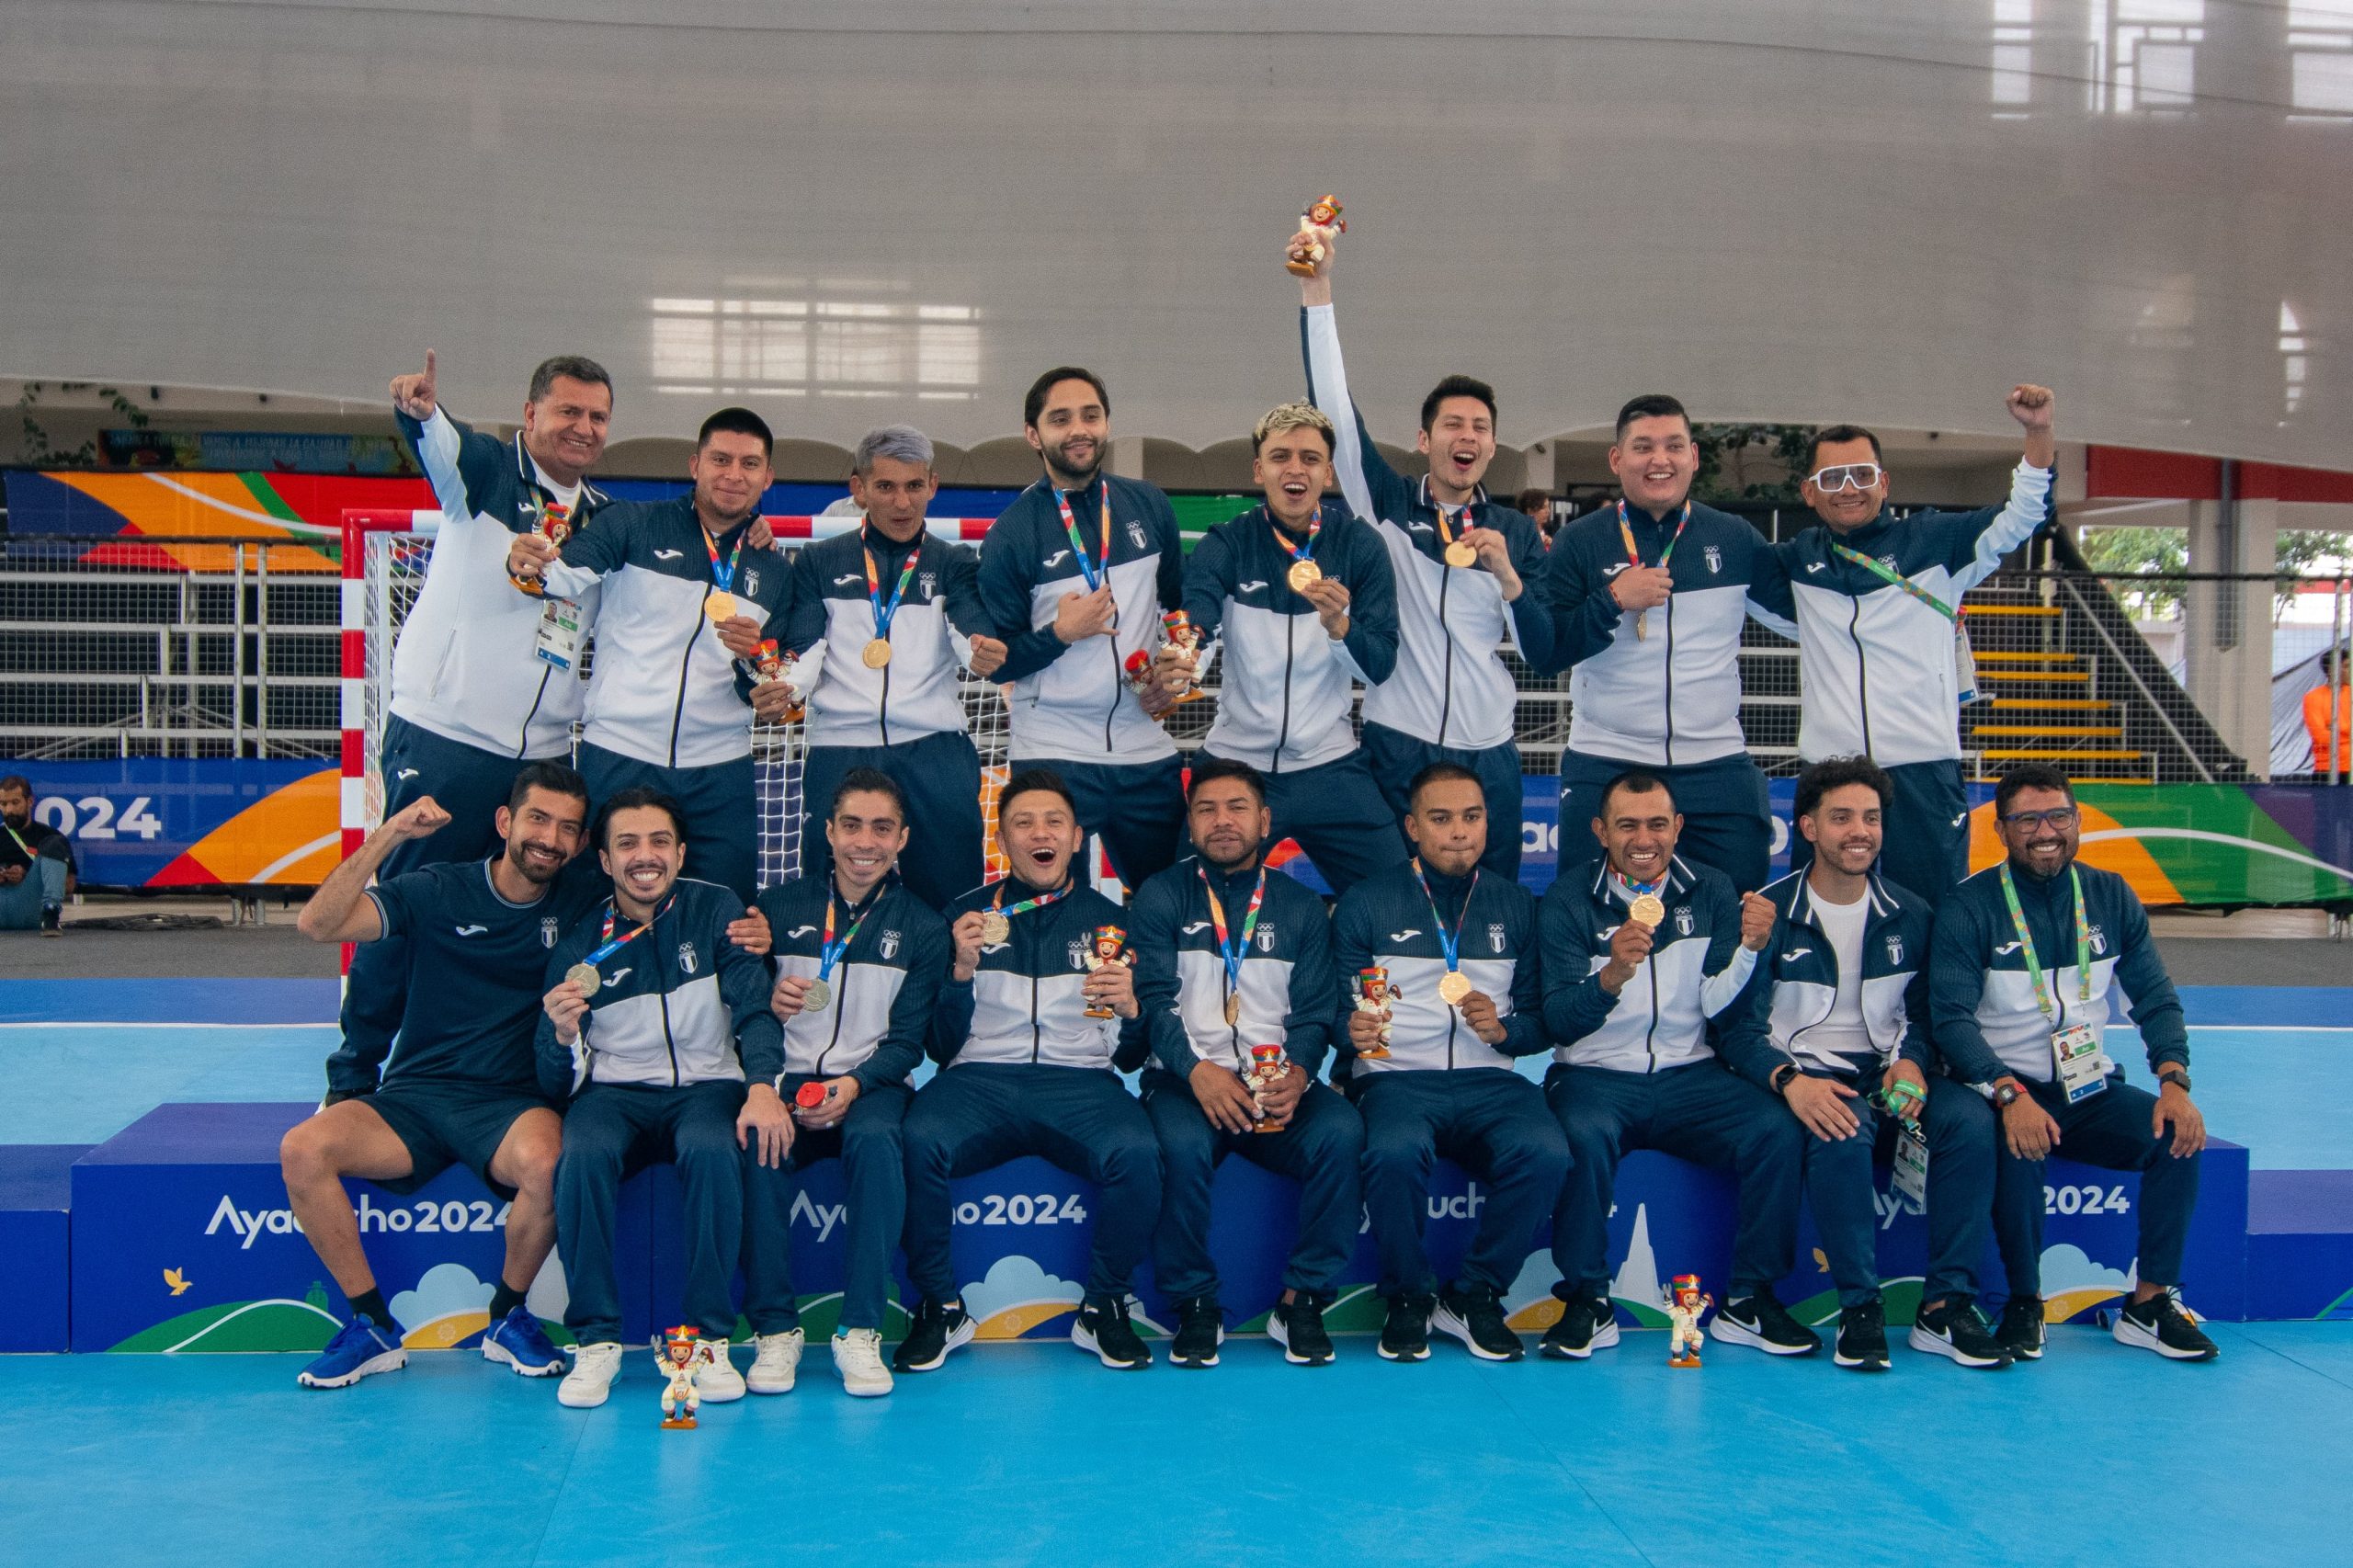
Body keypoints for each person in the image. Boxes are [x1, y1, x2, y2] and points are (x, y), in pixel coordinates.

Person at [335, 352, 617, 1096]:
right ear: (531, 416)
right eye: (567, 411)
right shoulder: (488, 473)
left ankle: (515, 1073)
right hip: (448, 738)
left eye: (596, 417)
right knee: (399, 905)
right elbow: (441, 443)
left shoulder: (605, 522)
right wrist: (421, 412)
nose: (582, 428)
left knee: (535, 919)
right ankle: (355, 1076)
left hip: (545, 759)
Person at [281, 765, 594, 1389]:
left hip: (508, 1105)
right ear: (505, 822)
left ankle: (506, 1317)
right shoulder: (437, 888)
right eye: (538, 819)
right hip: (414, 1100)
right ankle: (369, 1323)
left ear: (581, 846)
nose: (549, 838)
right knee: (303, 1148)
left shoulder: (582, 902)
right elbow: (318, 925)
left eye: (567, 829)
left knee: (552, 1164)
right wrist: (390, 834)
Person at [1926, 764, 2218, 1362]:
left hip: (2087, 1088)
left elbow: (2156, 998)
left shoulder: (2110, 896)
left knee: (2177, 1138)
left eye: (2058, 815)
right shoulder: (1970, 906)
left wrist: (2174, 1080)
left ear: (2077, 821)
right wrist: (2008, 1093)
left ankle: (2149, 1304)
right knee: (2018, 1143)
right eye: (2027, 819)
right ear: (2002, 832)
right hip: (2003, 1086)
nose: (2045, 831)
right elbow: (1950, 1020)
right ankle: (2024, 1303)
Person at [1292, 228, 1556, 878]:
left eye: (1480, 429)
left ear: (1493, 447)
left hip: (1486, 751)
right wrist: (1316, 288)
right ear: (1424, 437)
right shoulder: (1382, 503)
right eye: (1453, 425)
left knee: (1491, 905)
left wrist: (1508, 577)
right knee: (1394, 906)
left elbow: (1541, 652)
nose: (1467, 437)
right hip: (1398, 742)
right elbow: (1334, 406)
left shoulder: (1514, 534)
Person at [1537, 770, 1820, 1361]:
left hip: (1692, 1073)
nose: (1645, 838)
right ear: (1600, 831)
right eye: (1628, 825)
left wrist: (1748, 951)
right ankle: (1587, 1299)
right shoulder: (1567, 898)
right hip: (1595, 1074)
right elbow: (1559, 1021)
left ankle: (1748, 1299)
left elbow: (1718, 1005)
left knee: (1775, 1129)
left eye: (1658, 824)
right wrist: (1610, 976)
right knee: (1579, 1139)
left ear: (1678, 827)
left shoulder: (1713, 890)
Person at [894, 769, 1161, 1372]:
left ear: (1076, 837)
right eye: (1023, 822)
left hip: (1081, 1084)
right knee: (913, 1138)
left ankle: (1105, 1305)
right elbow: (938, 1046)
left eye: (1053, 822)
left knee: (1139, 1150)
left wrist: (1131, 1007)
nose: (1039, 833)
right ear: (1004, 840)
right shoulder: (962, 915)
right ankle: (939, 1304)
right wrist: (958, 974)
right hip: (975, 1081)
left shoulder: (1113, 919)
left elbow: (1127, 1056)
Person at [1746, 392, 2058, 905]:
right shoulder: (1796, 563)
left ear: (1884, 483)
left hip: (1923, 773)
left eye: (1862, 475)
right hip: (1828, 774)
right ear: (1808, 492)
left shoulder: (1936, 542)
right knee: (1822, 920)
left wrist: (2039, 432)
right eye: (1831, 479)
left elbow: (2025, 514)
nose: (1849, 489)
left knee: (1933, 919)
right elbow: (1712, 572)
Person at [535, 789, 789, 1409]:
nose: (643, 856)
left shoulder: (717, 910)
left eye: (657, 842)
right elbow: (550, 1078)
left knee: (711, 1147)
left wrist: (761, 1087)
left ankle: (707, 1342)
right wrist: (563, 1034)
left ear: (679, 851)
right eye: (626, 843)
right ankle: (595, 1342)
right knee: (584, 1153)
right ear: (603, 859)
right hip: (614, 1092)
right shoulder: (578, 944)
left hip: (706, 1085)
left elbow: (756, 1007)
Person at [1127, 756, 1362, 1368]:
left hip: (1274, 1083)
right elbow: (1152, 999)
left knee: (1341, 1132)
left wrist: (1300, 1074)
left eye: (1237, 809)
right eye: (1206, 810)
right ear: (1191, 823)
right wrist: (1195, 1071)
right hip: (1185, 1080)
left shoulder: (1303, 907)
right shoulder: (1159, 896)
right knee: (1176, 1148)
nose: (1222, 821)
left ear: (1265, 821)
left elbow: (1314, 1013)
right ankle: (1195, 1303)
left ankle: (1303, 1297)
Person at [1722, 757, 1954, 1372]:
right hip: (1802, 1074)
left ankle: (1949, 1305)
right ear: (1807, 827)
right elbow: (1734, 1031)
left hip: (1887, 1071)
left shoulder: (1913, 914)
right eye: (1842, 817)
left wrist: (1913, 1063)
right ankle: (1861, 1309)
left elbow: (1927, 1016)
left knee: (1973, 1126)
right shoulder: (1766, 914)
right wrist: (1790, 1081)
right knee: (1841, 1128)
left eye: (1871, 818)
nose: (1860, 831)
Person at [1331, 764, 1568, 1363]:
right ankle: (1408, 1296)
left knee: (1547, 1151)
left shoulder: (1515, 904)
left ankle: (1475, 1294)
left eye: (1472, 817)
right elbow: (1333, 1008)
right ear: (1412, 827)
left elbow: (1541, 1022)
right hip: (1395, 1080)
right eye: (1441, 819)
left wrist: (1507, 1029)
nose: (1459, 832)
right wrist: (1350, 1027)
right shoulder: (1367, 901)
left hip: (1492, 1082)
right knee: (1392, 1152)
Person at [508, 407, 791, 903]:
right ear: (694, 465)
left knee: (725, 916)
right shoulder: (632, 524)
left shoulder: (775, 568)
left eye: (749, 465)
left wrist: (760, 664)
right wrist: (528, 566)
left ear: (767, 477)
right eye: (720, 459)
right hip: (619, 754)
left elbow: (767, 677)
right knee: (592, 905)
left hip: (720, 770)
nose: (732, 475)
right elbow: (560, 577)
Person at [744, 768, 950, 1398]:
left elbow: (908, 1043)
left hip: (873, 1083)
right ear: (828, 832)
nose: (867, 842)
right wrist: (769, 1006)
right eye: (853, 826)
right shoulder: (775, 912)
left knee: (879, 1143)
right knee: (758, 1143)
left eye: (882, 828)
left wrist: (856, 1086)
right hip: (788, 1078)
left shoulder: (923, 927)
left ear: (903, 839)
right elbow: (745, 1016)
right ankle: (775, 1332)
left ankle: (859, 1329)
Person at [1537, 394, 1784, 891]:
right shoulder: (1580, 541)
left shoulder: (1734, 537)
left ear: (1693, 456)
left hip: (1714, 759)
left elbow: (1814, 615)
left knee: (1739, 914)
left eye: (1674, 446)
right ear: (1616, 459)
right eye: (1643, 447)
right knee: (1588, 916)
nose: (1660, 460)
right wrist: (1609, 599)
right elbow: (1548, 652)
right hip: (1607, 756)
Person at [760, 425, 1006, 910]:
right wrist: (783, 686)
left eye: (914, 487)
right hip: (840, 749)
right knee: (829, 902)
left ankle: (949, 987)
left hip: (935, 752)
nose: (902, 503)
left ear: (932, 486)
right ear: (859, 488)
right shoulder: (818, 560)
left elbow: (969, 628)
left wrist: (980, 651)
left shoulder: (954, 562)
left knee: (953, 903)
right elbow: (804, 647)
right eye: (886, 487)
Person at [974, 369, 1190, 892]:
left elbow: (1178, 612)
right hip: (1053, 748)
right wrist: (1059, 634)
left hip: (1144, 744)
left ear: (1106, 424)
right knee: (1042, 901)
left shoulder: (1149, 504)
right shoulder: (1011, 535)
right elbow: (999, 661)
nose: (1079, 429)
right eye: (1061, 418)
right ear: (1033, 434)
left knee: (1174, 900)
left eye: (1090, 415)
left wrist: (1178, 663)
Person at [1175, 401, 1404, 896]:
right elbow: (1198, 615)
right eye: (1280, 457)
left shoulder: (1360, 546)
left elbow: (1381, 663)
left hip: (1331, 765)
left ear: (1328, 472)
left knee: (1398, 898)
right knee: (1187, 899)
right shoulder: (1227, 543)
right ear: (1260, 470)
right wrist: (1184, 656)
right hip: (1236, 763)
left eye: (1310, 458)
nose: (1295, 469)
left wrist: (1341, 626)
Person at [0, 775, 72, 935]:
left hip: (29, 902)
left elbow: (69, 886)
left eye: (15, 802)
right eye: (3, 804)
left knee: (54, 843)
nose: (9, 810)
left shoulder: (48, 835)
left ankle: (50, 915)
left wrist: (27, 875)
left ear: (30, 802)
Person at [2306, 651, 2351, 778]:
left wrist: (2337, 728)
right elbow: (2320, 737)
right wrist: (2348, 732)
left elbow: (2330, 735)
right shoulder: (2313, 698)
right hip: (2327, 769)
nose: (2350, 670)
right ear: (2333, 670)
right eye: (2347, 666)